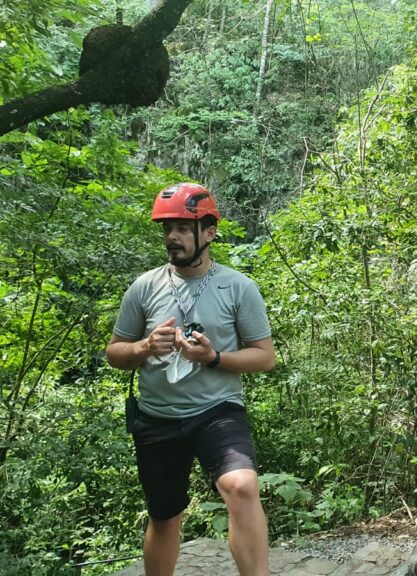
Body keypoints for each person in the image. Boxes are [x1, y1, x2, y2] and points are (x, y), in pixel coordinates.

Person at [106, 183, 275, 576]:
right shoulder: (144, 287)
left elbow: (264, 357)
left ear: (209, 232)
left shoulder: (237, 287)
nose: (171, 238)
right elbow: (115, 352)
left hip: (218, 410)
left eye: (183, 227)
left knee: (242, 486)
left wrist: (214, 357)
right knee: (165, 516)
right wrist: (145, 347)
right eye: (167, 229)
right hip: (157, 416)